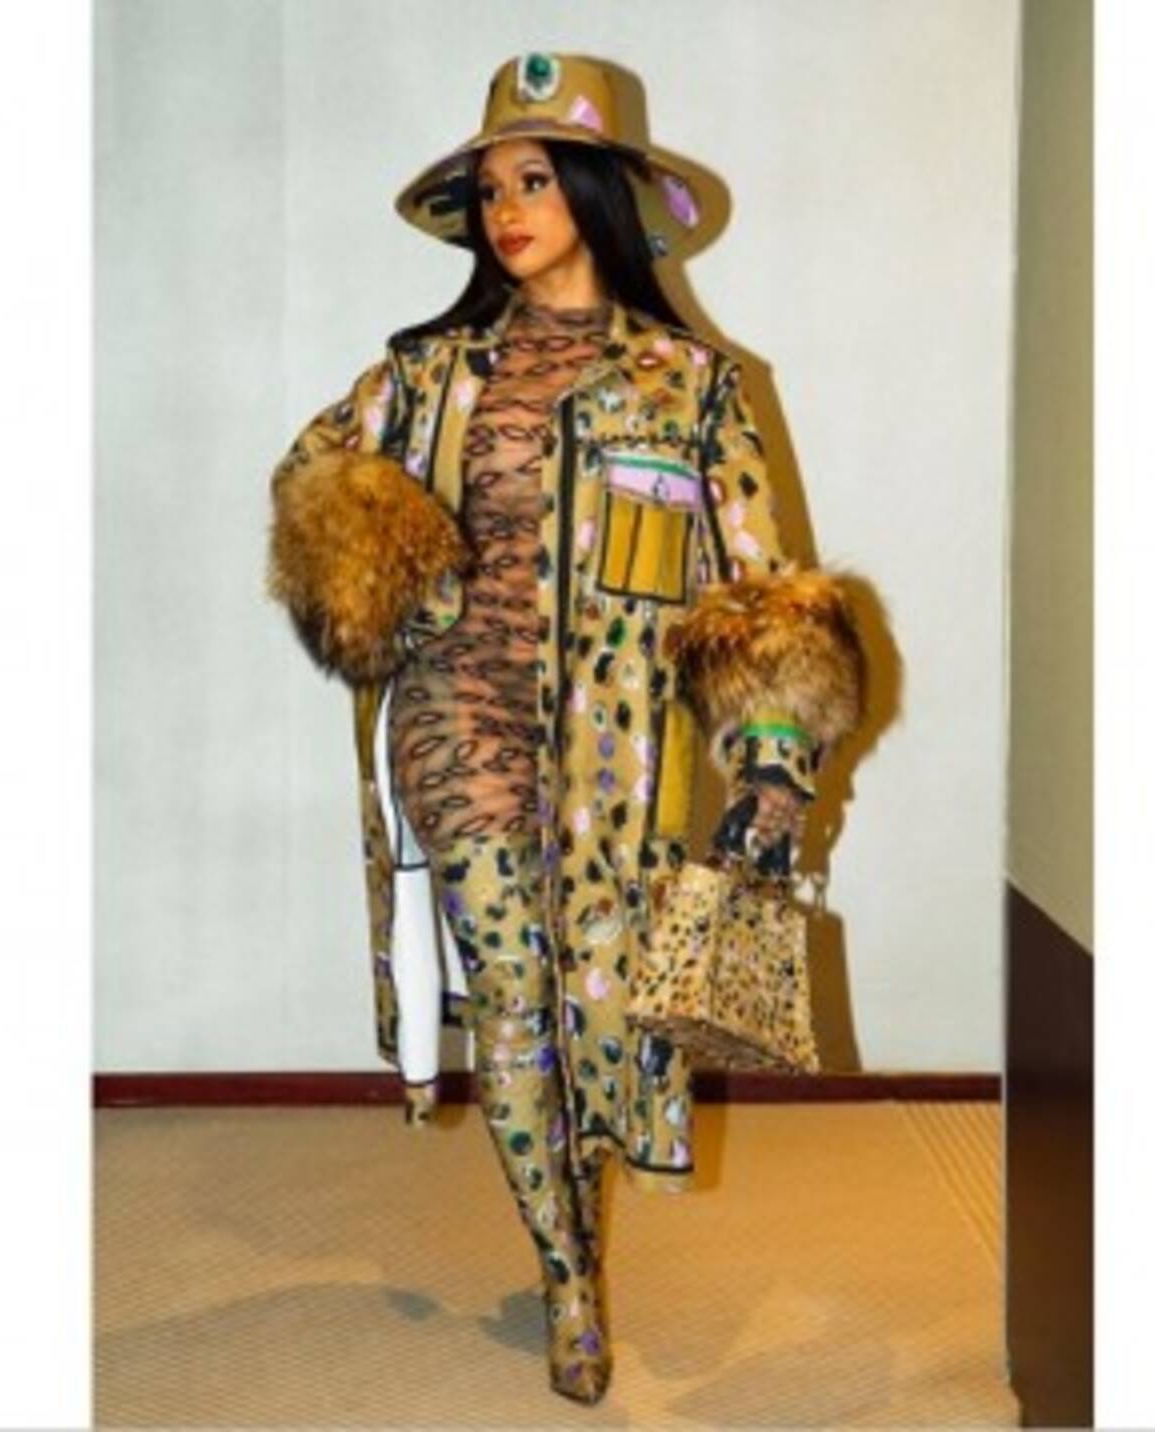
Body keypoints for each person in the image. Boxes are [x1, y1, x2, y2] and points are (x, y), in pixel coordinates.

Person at [267, 53, 865, 1407]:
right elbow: (312, 477)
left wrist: (773, 766)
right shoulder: (427, 372)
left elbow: (759, 586)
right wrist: (400, 578)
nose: (507, 211)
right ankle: (565, 1273)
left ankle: (580, 1217)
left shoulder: (693, 386)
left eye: (533, 181)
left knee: (597, 997)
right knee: (511, 995)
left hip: (620, 750)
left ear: (596, 195)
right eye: (489, 189)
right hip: (456, 718)